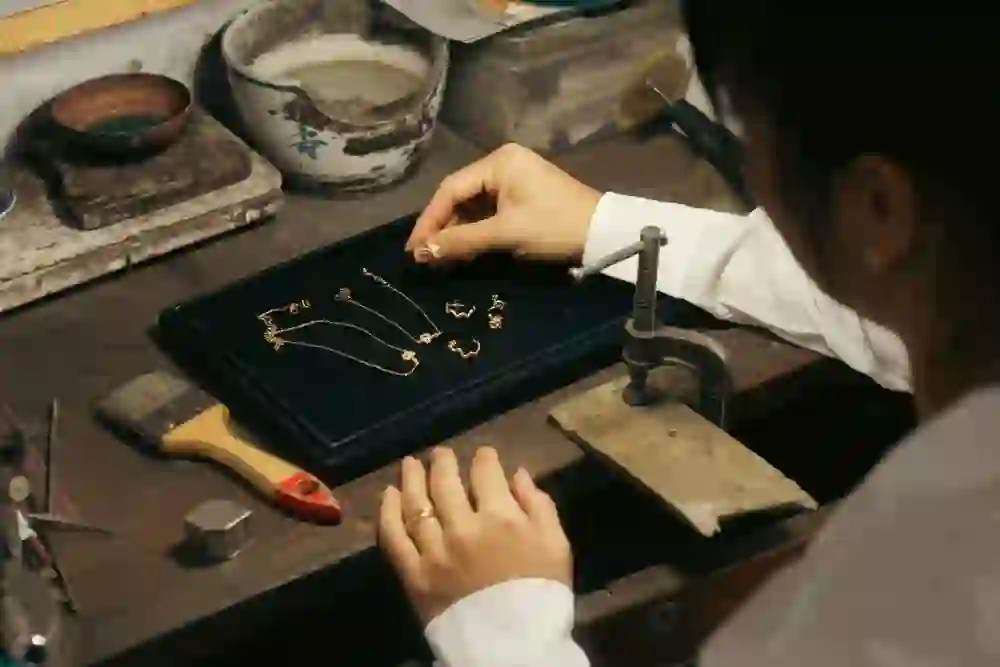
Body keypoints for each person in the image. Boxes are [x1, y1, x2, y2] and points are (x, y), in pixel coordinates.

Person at [378, 3, 1000, 665]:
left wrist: (502, 634)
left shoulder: (933, 589)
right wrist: (612, 226)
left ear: (877, 206)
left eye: (746, 132)